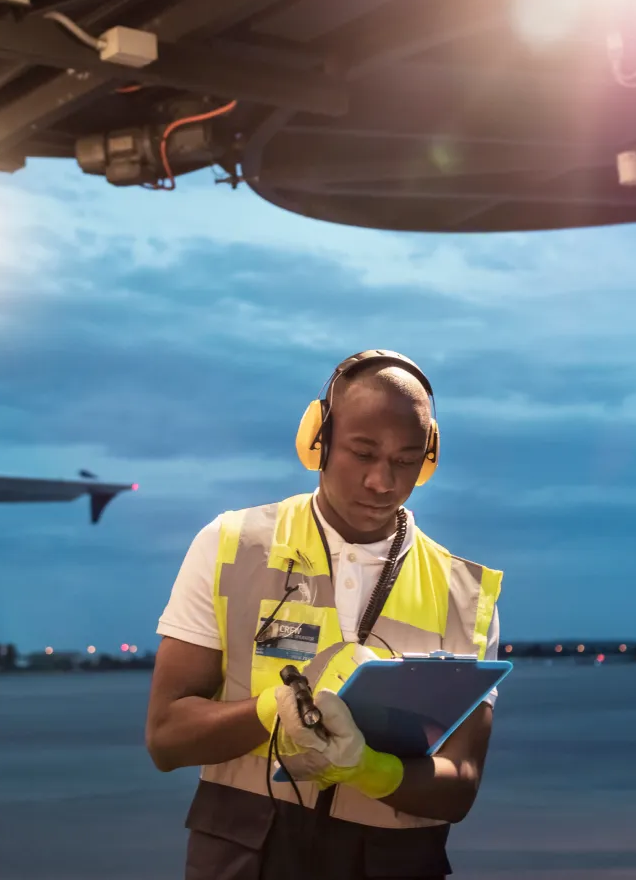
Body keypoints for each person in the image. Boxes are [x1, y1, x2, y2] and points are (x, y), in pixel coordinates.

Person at [145, 349, 504, 880]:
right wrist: (271, 711)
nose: (382, 481)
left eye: (405, 460)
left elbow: (462, 784)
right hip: (249, 856)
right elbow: (166, 738)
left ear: (427, 460)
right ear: (318, 439)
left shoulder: (466, 595)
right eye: (363, 453)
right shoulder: (230, 546)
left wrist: (370, 768)